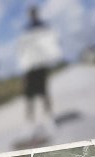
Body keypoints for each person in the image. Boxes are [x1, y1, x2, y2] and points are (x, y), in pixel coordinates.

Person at [15, 5, 62, 139]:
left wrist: (51, 60)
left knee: (44, 93)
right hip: (30, 68)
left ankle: (49, 120)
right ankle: (29, 125)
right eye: (31, 13)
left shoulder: (44, 27)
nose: (33, 15)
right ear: (29, 15)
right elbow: (23, 53)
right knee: (29, 97)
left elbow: (51, 45)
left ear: (37, 14)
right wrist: (23, 72)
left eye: (34, 13)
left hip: (41, 66)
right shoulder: (26, 30)